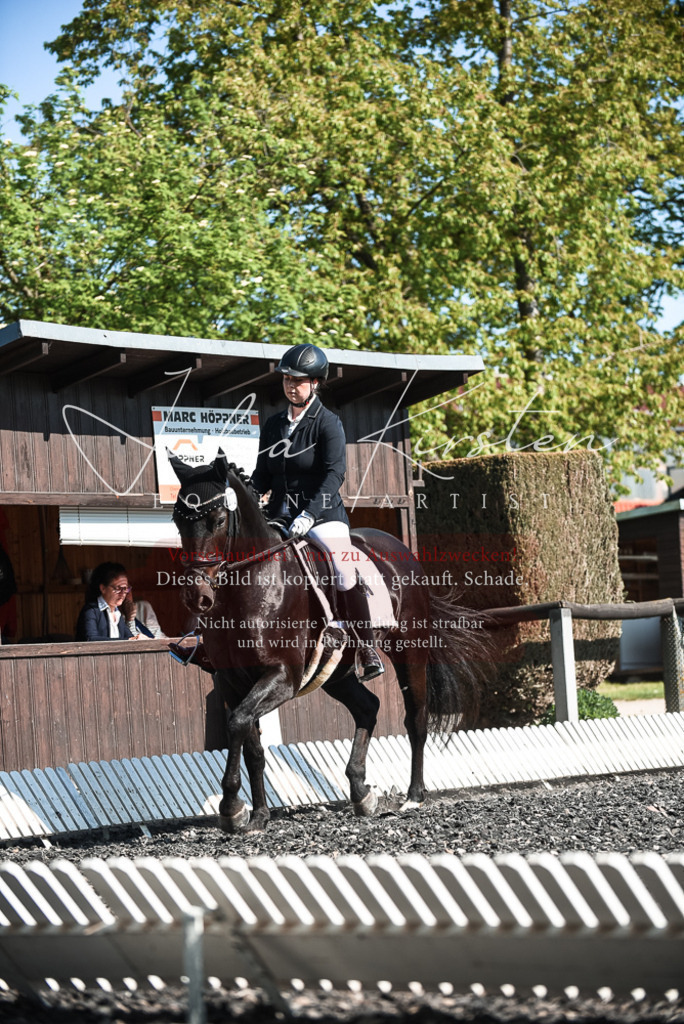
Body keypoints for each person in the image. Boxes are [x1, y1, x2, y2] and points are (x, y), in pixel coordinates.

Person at [250, 343, 385, 680]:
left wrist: (309, 514)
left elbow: (334, 474)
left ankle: (366, 648)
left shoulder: (328, 423)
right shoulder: (273, 425)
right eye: (286, 379)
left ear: (315, 383)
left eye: (298, 380)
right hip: (279, 514)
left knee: (343, 566)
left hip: (322, 514)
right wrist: (247, 498)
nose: (290, 385)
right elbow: (262, 475)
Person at [75, 562, 154, 641]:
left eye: (125, 588)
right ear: (103, 588)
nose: (123, 593)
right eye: (118, 588)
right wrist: (130, 640)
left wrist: (138, 638)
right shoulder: (91, 610)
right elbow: (91, 639)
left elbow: (129, 637)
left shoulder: (116, 612)